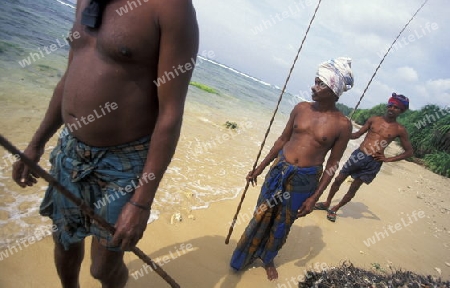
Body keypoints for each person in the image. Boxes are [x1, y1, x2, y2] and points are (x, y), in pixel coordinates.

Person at [12, 1, 199, 287]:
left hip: (123, 163)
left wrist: (140, 202)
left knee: (103, 268)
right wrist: (36, 144)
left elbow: (170, 114)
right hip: (70, 151)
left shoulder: (171, 8)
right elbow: (69, 76)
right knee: (64, 241)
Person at [230, 57, 354, 280]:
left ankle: (268, 258)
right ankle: (243, 255)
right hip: (279, 169)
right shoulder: (301, 109)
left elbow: (332, 164)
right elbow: (282, 139)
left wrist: (315, 197)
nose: (314, 88)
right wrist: (259, 168)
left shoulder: (343, 125)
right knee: (262, 213)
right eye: (315, 81)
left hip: (305, 179)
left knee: (283, 223)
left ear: (334, 91)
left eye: (320, 84)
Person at [314, 93, 414, 222]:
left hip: (373, 162)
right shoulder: (374, 120)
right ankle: (327, 202)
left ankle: (335, 208)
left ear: (402, 111)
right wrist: (342, 131)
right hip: (359, 155)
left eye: (396, 108)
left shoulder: (399, 130)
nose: (392, 109)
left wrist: (387, 159)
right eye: (391, 105)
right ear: (387, 105)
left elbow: (409, 152)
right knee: (338, 179)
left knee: (354, 187)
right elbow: (356, 135)